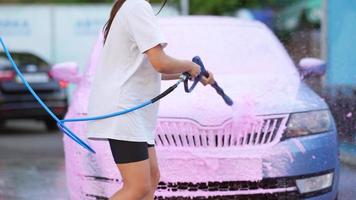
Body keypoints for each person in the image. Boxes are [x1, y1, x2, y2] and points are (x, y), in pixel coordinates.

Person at [87, 0, 215, 199]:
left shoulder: (130, 5)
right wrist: (190, 66)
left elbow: (150, 69)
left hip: (133, 112)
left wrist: (192, 73)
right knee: (137, 187)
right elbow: (161, 62)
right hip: (124, 109)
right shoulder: (137, 6)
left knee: (151, 178)